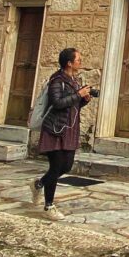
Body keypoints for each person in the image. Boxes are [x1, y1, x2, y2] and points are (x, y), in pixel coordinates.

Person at [30, 47, 92, 220]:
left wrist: (83, 99)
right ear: (69, 63)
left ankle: (39, 184)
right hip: (55, 129)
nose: (81, 62)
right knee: (56, 167)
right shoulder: (57, 80)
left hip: (69, 130)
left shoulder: (74, 80)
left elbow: (73, 105)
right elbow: (57, 103)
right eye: (78, 60)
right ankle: (49, 206)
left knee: (66, 166)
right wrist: (78, 94)